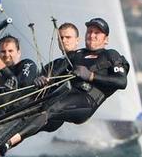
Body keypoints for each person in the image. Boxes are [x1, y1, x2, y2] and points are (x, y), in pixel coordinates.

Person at [7, 17, 129, 149]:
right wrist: (41, 78)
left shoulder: (110, 55)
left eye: (97, 33)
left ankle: (7, 144)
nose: (92, 35)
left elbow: (121, 82)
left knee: (51, 108)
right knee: (32, 111)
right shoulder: (77, 54)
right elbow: (52, 73)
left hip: (87, 101)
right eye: (89, 31)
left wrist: (90, 75)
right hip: (66, 98)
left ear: (106, 39)